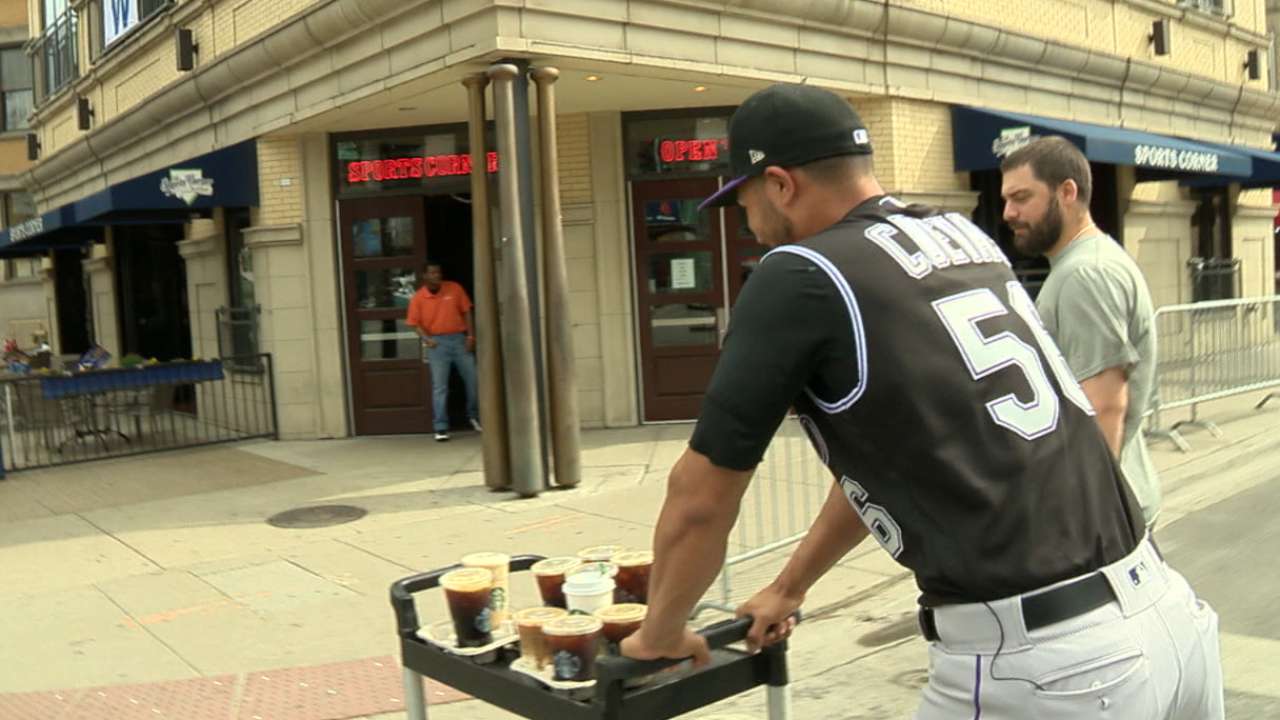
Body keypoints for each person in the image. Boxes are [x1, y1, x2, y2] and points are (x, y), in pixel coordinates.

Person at [619, 84, 1223, 719]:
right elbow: (895, 460)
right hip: (1167, 615)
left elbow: (699, 497)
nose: (743, 218)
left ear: (778, 184)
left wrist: (659, 632)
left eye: (741, 196)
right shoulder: (959, 235)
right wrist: (788, 586)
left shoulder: (799, 270)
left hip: (1049, 666)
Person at [1000, 136, 1162, 529]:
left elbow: (1105, 407)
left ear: (1067, 192)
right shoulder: (1085, 263)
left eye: (1022, 197)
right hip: (1109, 504)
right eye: (1005, 199)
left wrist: (1086, 524)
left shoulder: (1085, 275)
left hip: (1098, 517)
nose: (1008, 212)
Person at [405, 262, 480, 441]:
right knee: (440, 387)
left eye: (438, 272)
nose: (436, 275)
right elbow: (414, 323)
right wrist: (427, 340)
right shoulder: (418, 298)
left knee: (473, 380)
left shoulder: (454, 288)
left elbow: (467, 312)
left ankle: (473, 415)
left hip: (459, 339)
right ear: (424, 276)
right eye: (431, 273)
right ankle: (440, 426)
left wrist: (470, 337)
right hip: (437, 343)